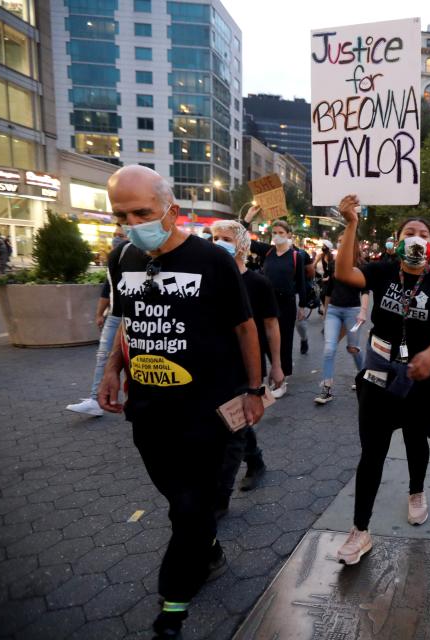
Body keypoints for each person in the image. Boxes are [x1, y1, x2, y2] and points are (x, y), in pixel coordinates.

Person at [97, 165, 265, 639]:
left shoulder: (212, 261)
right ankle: (208, 550)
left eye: (142, 212)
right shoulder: (123, 259)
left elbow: (245, 327)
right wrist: (113, 370)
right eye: (122, 215)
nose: (132, 223)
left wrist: (254, 391)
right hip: (149, 412)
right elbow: (128, 322)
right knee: (179, 503)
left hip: (206, 413)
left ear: (172, 210)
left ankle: (173, 608)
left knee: (192, 508)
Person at [332, 195, 430, 565]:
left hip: (425, 378)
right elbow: (344, 273)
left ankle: (416, 491)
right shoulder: (383, 271)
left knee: (416, 438)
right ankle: (359, 530)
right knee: (372, 451)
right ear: (397, 241)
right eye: (410, 232)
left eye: (423, 234)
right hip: (379, 375)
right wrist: (351, 225)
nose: (417, 238)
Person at [211, 220, 283, 511]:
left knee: (232, 436)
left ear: (242, 244)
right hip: (214, 366)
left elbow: (271, 326)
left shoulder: (258, 283)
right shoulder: (208, 279)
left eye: (225, 238)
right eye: (214, 237)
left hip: (245, 370)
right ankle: (256, 460)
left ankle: (220, 500)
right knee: (232, 422)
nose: (217, 242)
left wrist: (276, 365)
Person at [242, 209, 314, 395]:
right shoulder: (267, 251)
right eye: (274, 233)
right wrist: (248, 219)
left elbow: (302, 283)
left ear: (289, 235)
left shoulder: (297, 255)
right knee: (263, 340)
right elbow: (242, 240)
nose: (277, 236)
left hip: (286, 303)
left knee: (284, 341)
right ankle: (273, 371)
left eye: (281, 233)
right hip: (264, 302)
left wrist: (302, 305)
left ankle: (283, 380)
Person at [67, 225, 130, 417]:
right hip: (115, 315)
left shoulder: (138, 256)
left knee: (131, 360)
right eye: (115, 235)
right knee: (104, 357)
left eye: (121, 235)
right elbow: (107, 289)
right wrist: (99, 313)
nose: (116, 238)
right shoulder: (117, 256)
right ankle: (96, 400)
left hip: (130, 317)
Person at [315, 233, 369, 404]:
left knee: (352, 348)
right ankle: (326, 388)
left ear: (354, 245)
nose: (340, 244)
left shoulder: (362, 266)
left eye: (344, 241)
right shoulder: (333, 264)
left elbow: (366, 291)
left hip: (352, 312)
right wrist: (325, 311)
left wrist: (363, 311)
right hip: (333, 311)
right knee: (329, 349)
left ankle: (364, 379)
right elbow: (329, 289)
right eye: (339, 241)